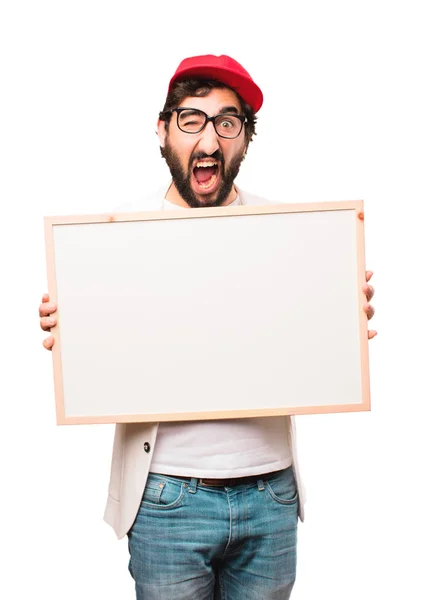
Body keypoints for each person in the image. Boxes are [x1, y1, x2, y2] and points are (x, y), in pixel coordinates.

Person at [39, 54, 377, 599]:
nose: (210, 140)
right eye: (191, 119)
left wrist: (339, 319)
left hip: (271, 496)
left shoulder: (292, 233)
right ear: (163, 128)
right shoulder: (114, 238)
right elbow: (98, 353)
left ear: (244, 138)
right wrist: (72, 334)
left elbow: (316, 344)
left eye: (228, 122)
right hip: (167, 499)